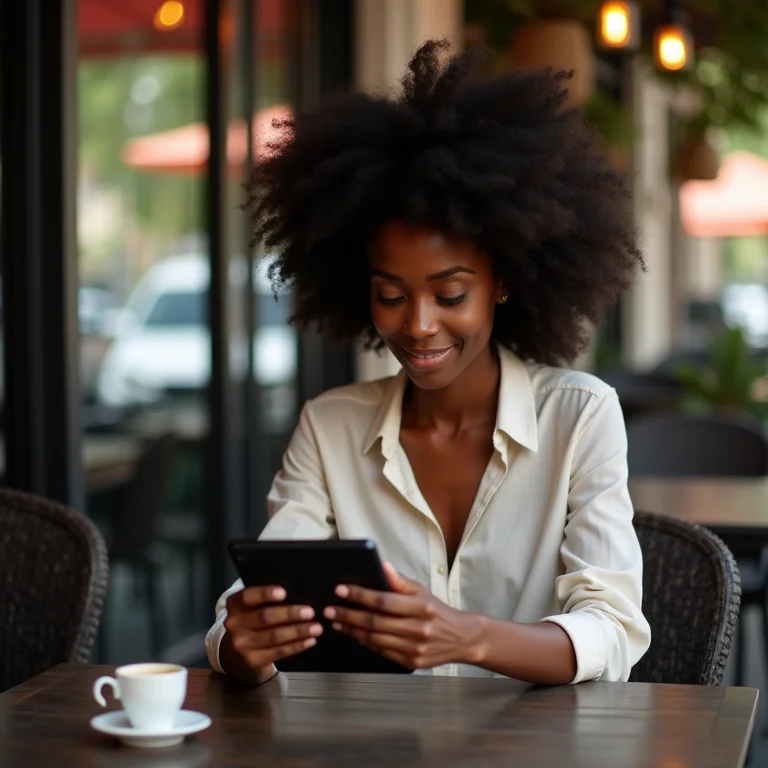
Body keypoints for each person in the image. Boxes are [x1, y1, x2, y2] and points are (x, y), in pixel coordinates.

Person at [206, 39, 651, 687]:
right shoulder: (330, 428)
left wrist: (465, 636)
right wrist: (242, 644)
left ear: (502, 281)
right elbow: (254, 600)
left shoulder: (580, 418)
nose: (416, 325)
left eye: (450, 295)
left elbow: (613, 630)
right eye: (391, 295)